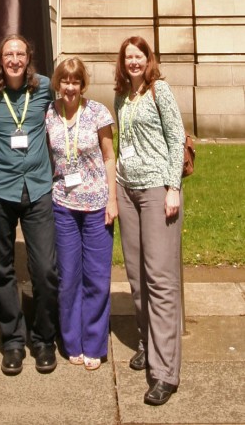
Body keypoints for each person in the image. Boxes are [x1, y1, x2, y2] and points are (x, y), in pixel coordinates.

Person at [0, 34, 59, 375]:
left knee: (45, 270)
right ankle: (11, 341)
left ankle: (43, 340)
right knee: (2, 268)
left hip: (37, 189)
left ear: (28, 57)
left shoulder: (44, 88)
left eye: (20, 53)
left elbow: (72, 103)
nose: (14, 59)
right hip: (0, 191)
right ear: (0, 58)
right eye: (9, 53)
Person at [114, 36, 185, 406]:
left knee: (160, 279)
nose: (133, 62)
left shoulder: (161, 90)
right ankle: (146, 340)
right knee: (136, 276)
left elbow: (176, 140)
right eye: (128, 57)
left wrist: (173, 187)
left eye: (139, 56)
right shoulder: (123, 96)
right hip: (127, 190)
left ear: (148, 59)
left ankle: (165, 372)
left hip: (158, 190)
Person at [46, 57, 117, 371]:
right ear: (58, 83)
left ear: (82, 84)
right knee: (69, 277)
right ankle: (72, 341)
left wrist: (113, 200)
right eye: (65, 81)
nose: (70, 87)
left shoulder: (98, 112)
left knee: (97, 278)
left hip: (97, 204)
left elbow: (109, 157)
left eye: (75, 81)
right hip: (63, 204)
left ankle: (94, 343)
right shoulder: (50, 113)